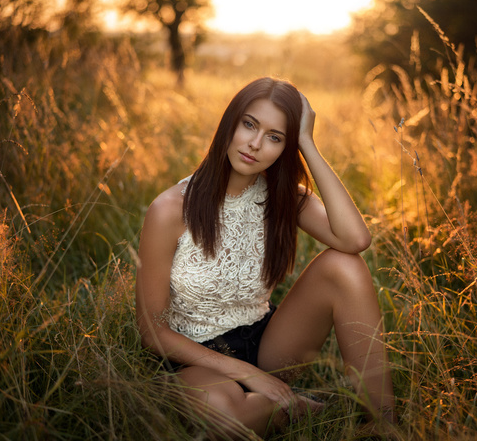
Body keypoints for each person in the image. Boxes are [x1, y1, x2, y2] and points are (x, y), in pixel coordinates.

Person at [135, 77, 395, 438]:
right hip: (194, 358)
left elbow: (355, 239)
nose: (255, 145)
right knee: (223, 418)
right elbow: (152, 332)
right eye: (249, 125)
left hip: (269, 343)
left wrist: (307, 143)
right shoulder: (169, 210)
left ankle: (382, 421)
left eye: (275, 137)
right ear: (231, 123)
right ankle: (306, 408)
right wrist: (245, 373)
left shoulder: (282, 195)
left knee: (344, 265)